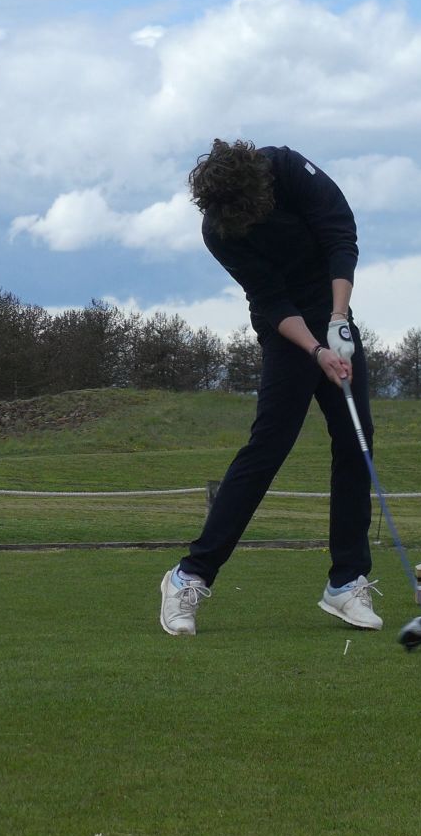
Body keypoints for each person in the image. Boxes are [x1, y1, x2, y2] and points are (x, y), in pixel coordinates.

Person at [158, 139, 377, 637]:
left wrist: (338, 320)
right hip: (286, 331)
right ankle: (188, 577)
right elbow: (270, 298)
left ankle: (346, 582)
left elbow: (340, 234)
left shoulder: (285, 168)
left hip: (332, 310)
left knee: (356, 439)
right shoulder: (218, 229)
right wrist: (316, 351)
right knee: (268, 449)